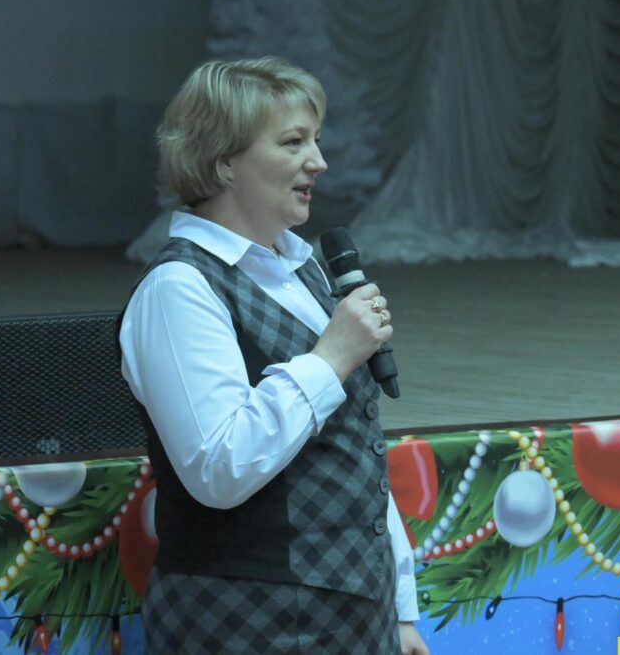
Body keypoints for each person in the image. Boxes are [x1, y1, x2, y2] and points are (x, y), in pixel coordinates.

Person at [119, 56, 429, 655]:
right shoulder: (179, 287)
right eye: (293, 142)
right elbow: (219, 467)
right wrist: (331, 358)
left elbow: (356, 453)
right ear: (223, 161)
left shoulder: (304, 272)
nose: (319, 161)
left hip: (352, 618)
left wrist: (399, 608)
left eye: (317, 140)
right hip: (240, 622)